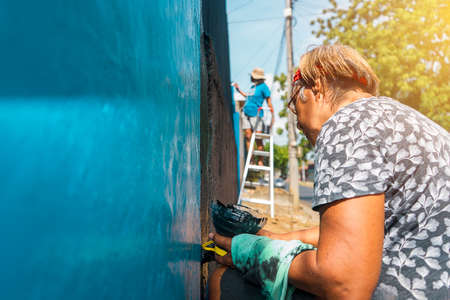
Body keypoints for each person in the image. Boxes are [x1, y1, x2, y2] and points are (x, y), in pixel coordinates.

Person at [209, 45, 449, 299]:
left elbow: (344, 283)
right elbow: (357, 229)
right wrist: (276, 238)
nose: (297, 121)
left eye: (293, 103)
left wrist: (254, 253)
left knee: (225, 282)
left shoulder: (346, 124)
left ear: (317, 87)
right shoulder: (409, 122)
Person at [233, 68, 274, 165]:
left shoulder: (264, 87)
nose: (251, 77)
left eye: (252, 76)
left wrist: (273, 116)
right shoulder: (253, 87)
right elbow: (247, 97)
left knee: (258, 138)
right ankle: (251, 159)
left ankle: (260, 160)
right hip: (245, 112)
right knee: (248, 136)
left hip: (256, 114)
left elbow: (269, 102)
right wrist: (238, 89)